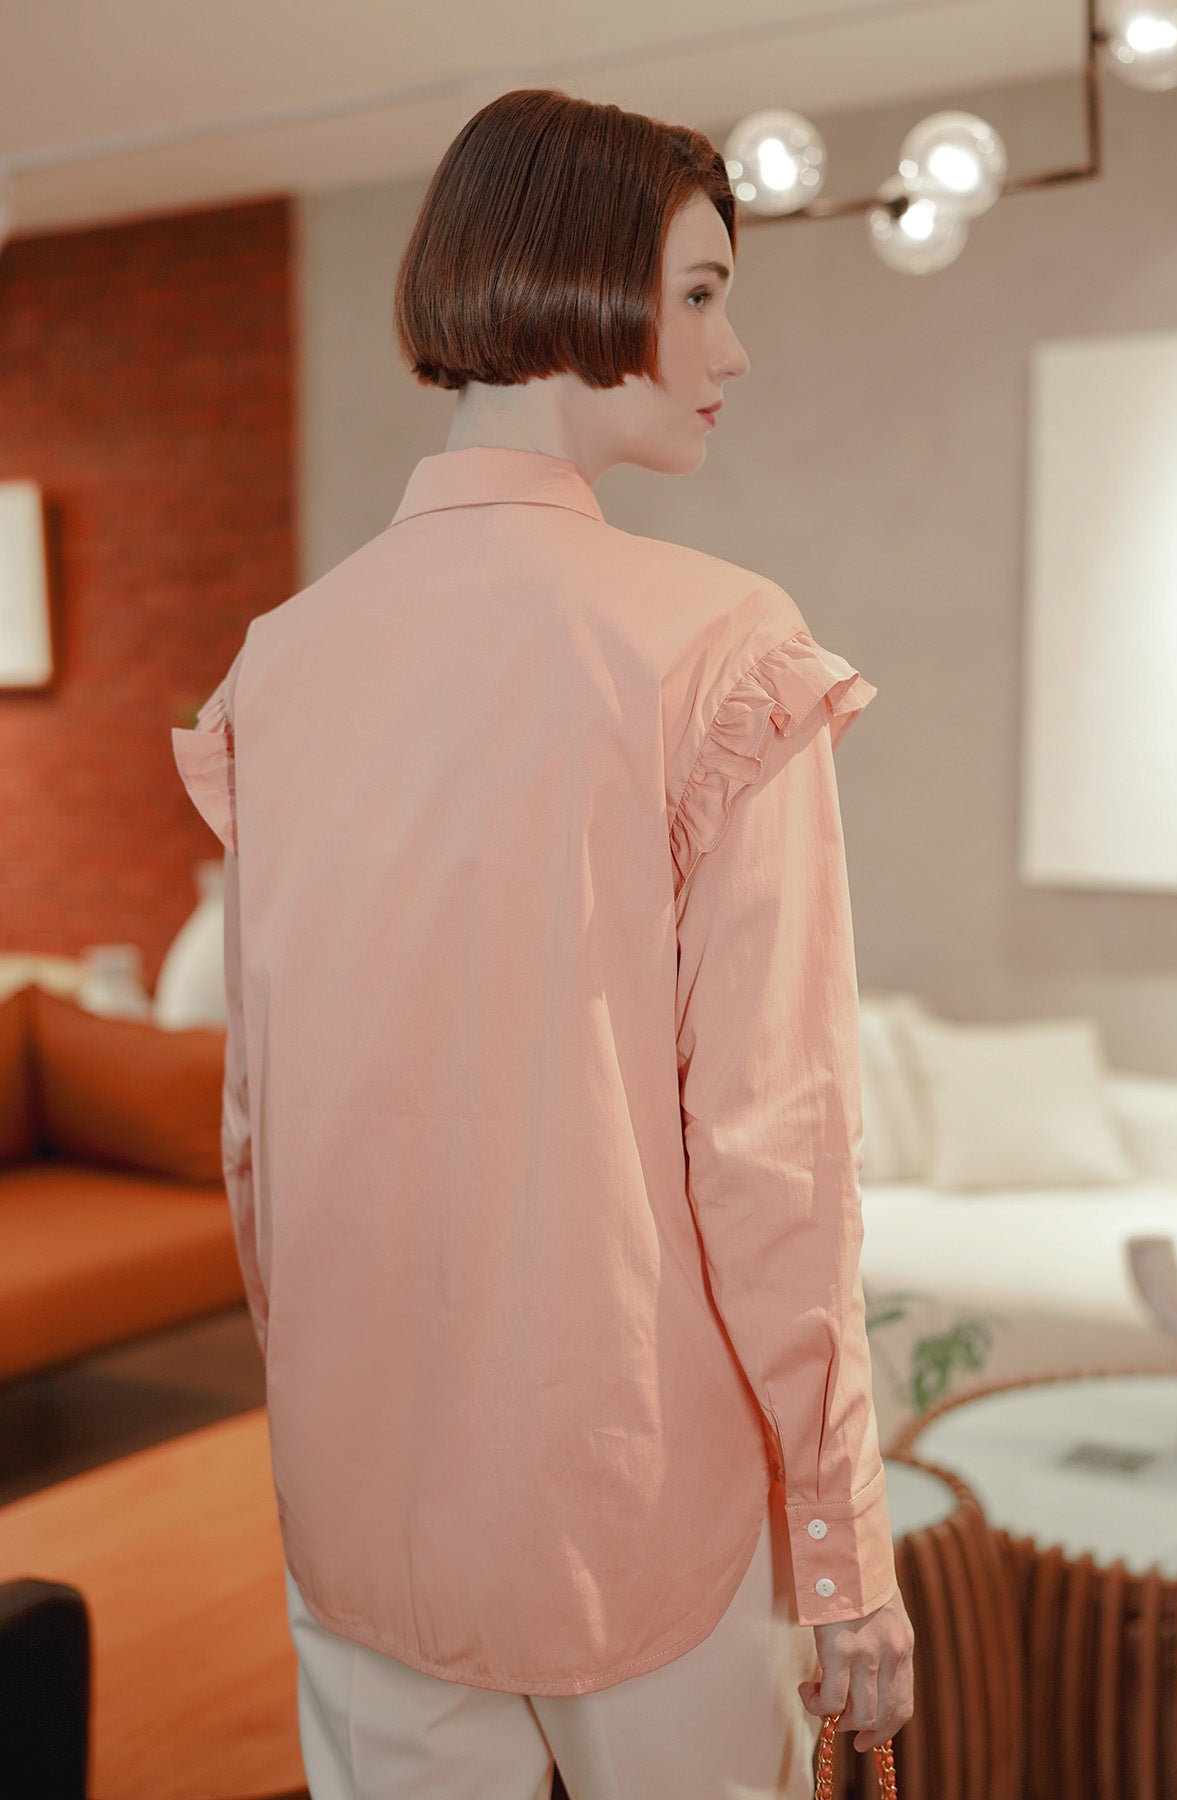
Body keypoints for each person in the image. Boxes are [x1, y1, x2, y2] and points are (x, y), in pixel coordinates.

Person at [171, 85, 915, 1800]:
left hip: (357, 1504)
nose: (733, 350)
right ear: (579, 275)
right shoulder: (718, 645)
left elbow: (255, 1129)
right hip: (634, 1509)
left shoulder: (280, 660)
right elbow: (778, 1151)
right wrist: (841, 1549)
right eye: (704, 292)